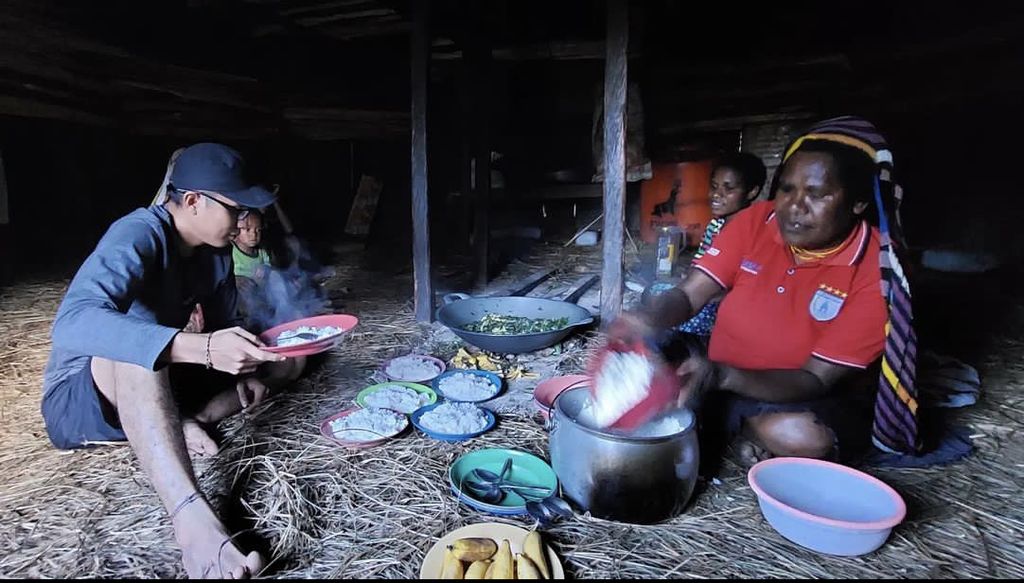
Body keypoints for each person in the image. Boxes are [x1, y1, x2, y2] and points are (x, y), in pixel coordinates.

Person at [40, 143, 306, 578]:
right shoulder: (140, 232)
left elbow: (219, 332)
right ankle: (193, 522)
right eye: (235, 210)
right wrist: (201, 348)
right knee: (136, 353)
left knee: (290, 360)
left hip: (163, 378)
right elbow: (73, 322)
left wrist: (244, 365)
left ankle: (192, 418)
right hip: (83, 396)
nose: (243, 223)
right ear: (194, 201)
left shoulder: (215, 252)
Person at [608, 117, 908, 466]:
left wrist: (722, 377)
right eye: (786, 188)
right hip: (714, 365)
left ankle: (731, 421)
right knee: (640, 354)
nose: (794, 206)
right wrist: (647, 318)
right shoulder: (756, 222)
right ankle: (714, 408)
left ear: (858, 203)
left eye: (817, 194)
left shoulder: (878, 273)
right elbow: (690, 295)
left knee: (804, 436)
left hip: (786, 391)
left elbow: (815, 378)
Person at [676, 152, 766, 338]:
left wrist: (708, 293)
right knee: (653, 294)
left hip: (729, 306)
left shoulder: (758, 232)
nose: (717, 195)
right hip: (705, 296)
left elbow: (753, 286)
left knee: (677, 321)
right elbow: (700, 263)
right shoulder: (715, 226)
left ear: (752, 192)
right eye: (714, 187)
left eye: (729, 188)